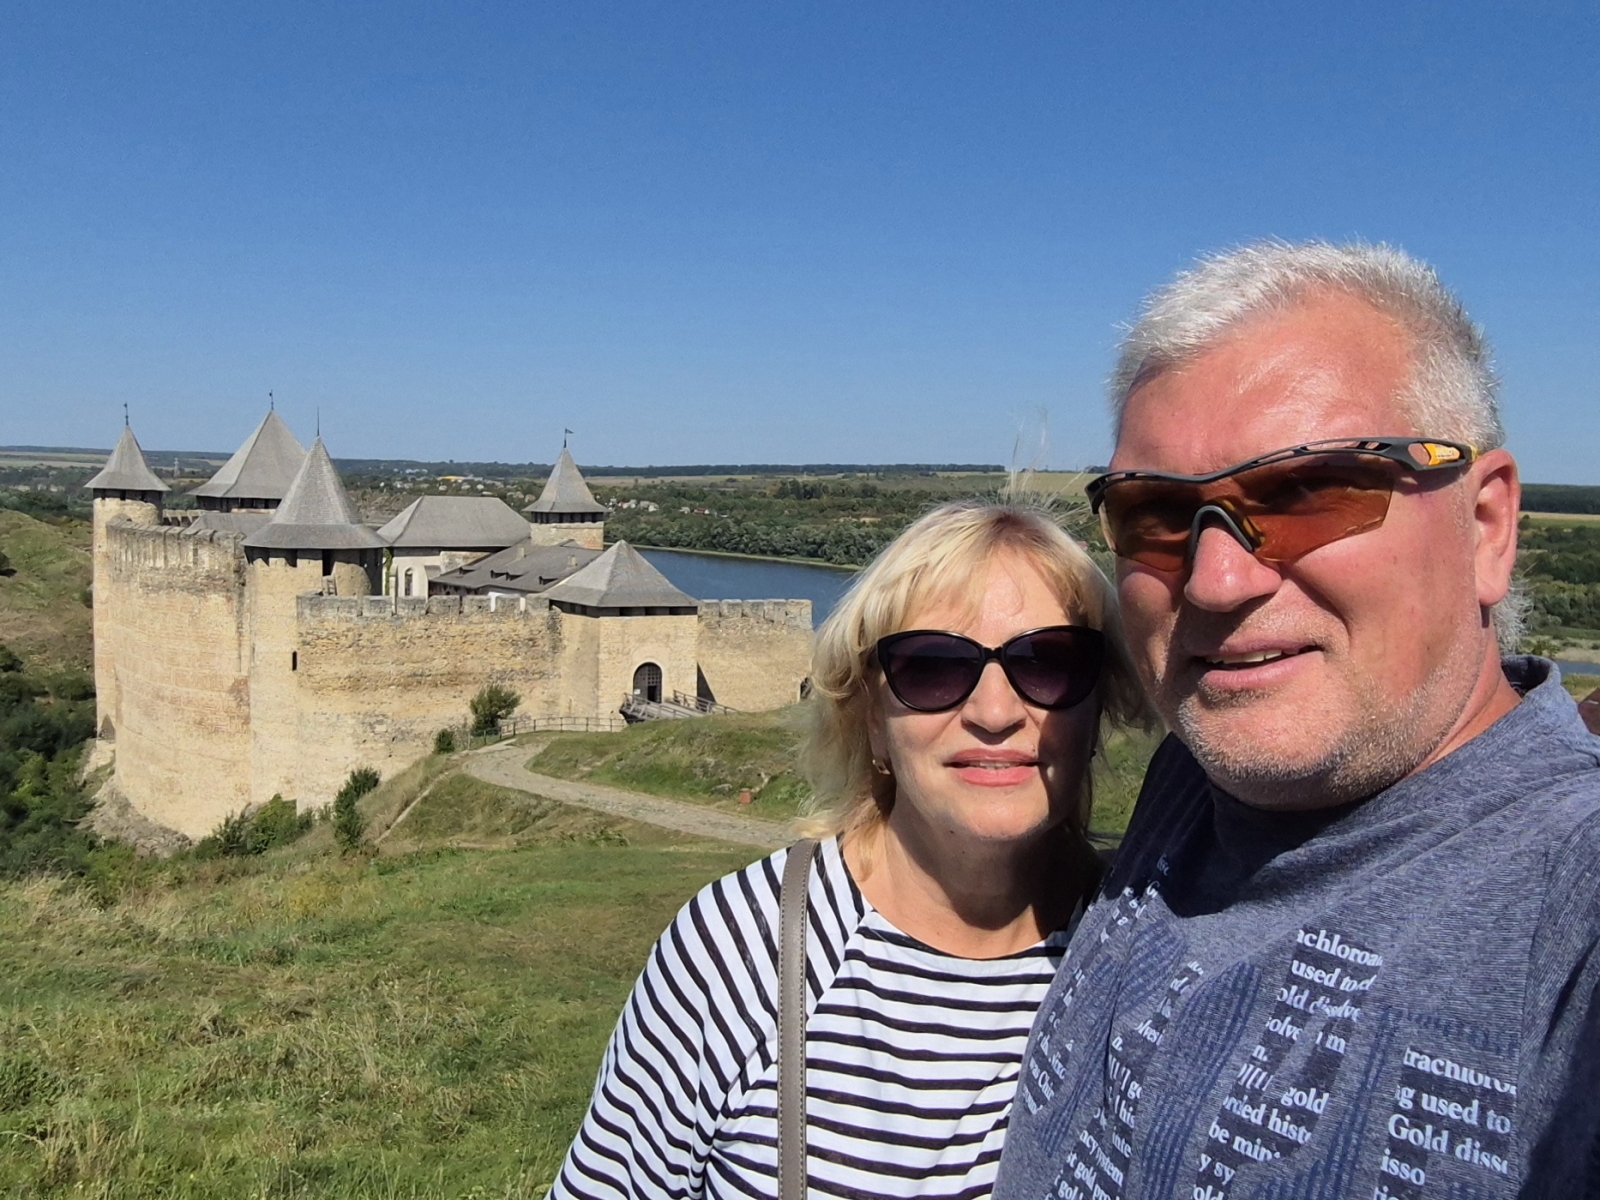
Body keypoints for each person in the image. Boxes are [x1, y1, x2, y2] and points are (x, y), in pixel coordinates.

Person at [992, 241, 1600, 1200]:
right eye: (1155, 511)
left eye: (1309, 491)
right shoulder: (1199, 769)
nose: (1216, 580)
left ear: (1486, 527)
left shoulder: (1568, 907)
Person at [549, 499, 1148, 1200]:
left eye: (1049, 663)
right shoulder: (742, 953)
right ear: (870, 719)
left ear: (1098, 706)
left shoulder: (1149, 962)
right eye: (933, 667)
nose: (995, 713)